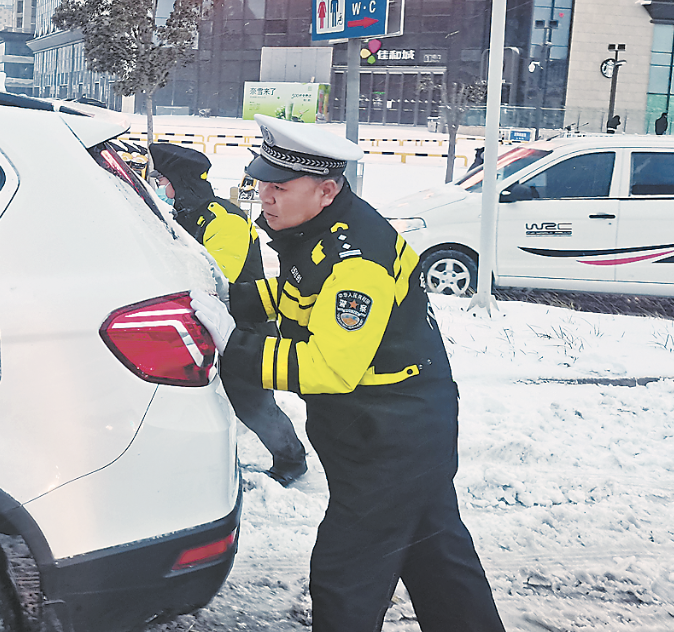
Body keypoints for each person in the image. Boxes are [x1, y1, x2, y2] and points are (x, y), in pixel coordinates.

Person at [189, 115, 505, 632]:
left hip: (390, 437)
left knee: (346, 573)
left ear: (326, 189)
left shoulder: (356, 259)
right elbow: (299, 295)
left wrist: (235, 345)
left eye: (279, 187)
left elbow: (329, 366)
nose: (264, 196)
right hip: (397, 426)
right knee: (438, 561)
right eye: (261, 183)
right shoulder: (319, 233)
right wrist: (236, 300)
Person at [149, 142, 308, 486]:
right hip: (209, 324)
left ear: (180, 180)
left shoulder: (225, 219)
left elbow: (218, 277)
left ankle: (291, 461)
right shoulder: (184, 214)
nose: (159, 187)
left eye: (163, 180)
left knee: (253, 404)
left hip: (245, 327)